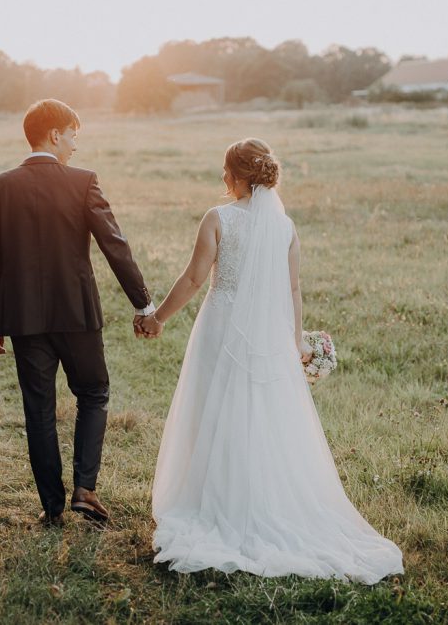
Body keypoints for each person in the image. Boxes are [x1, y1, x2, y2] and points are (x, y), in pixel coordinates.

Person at [139, 138, 404, 582]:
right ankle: (257, 498)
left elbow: (194, 278)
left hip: (221, 327)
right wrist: (294, 341)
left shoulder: (217, 218)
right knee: (261, 415)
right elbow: (293, 289)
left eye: (225, 170)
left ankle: (214, 501)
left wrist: (157, 318)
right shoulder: (286, 227)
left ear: (236, 176)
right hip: (268, 332)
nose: (222, 177)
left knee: (214, 411)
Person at [0, 99, 154, 527]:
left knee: (38, 409)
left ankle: (52, 507)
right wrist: (143, 303)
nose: (75, 145)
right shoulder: (82, 182)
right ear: (55, 134)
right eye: (73, 135)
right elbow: (115, 246)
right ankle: (85, 490)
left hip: (23, 321)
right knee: (93, 393)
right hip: (77, 315)